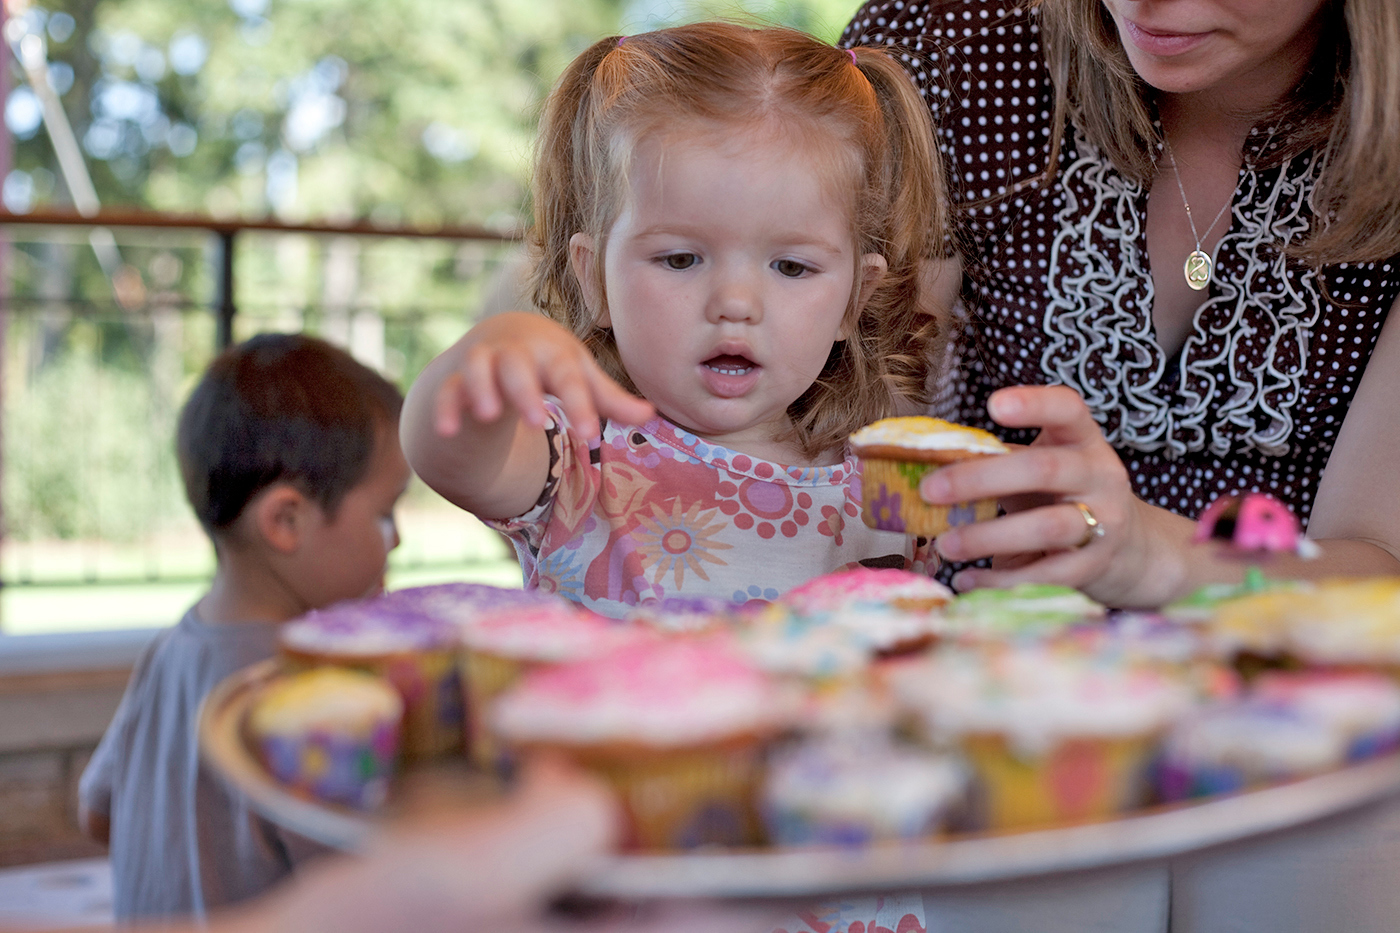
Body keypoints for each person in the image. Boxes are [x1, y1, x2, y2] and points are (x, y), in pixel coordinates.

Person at [837, 0, 1400, 607]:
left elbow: (1379, 560)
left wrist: (1156, 559)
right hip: (973, 638)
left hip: (1292, 665)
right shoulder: (956, 41)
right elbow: (857, 441)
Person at [401, 23, 949, 617]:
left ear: (855, 297)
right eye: (681, 259)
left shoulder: (895, 483)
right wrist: (490, 351)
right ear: (595, 279)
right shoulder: (576, 461)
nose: (736, 302)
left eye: (791, 267)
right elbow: (446, 453)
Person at [78, 333, 411, 922]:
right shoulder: (304, 691)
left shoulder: (171, 649)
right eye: (384, 513)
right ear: (286, 521)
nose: (398, 538)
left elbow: (95, 812)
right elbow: (371, 889)